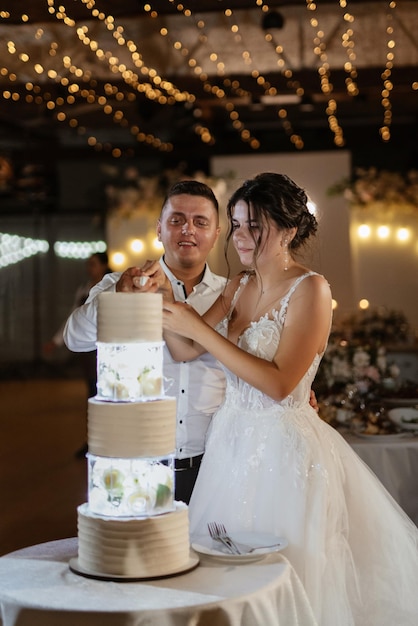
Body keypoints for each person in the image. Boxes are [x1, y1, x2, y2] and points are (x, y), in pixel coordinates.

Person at [155, 173, 418, 625]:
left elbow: (278, 385)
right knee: (222, 568)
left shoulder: (312, 289)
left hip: (284, 451)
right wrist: (159, 299)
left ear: (289, 230)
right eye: (236, 225)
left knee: (288, 574)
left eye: (254, 225)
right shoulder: (237, 286)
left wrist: (199, 327)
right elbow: (184, 350)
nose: (241, 236)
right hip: (228, 445)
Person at [64, 181, 227, 501]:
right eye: (176, 220)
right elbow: (74, 338)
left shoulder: (231, 295)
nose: (187, 230)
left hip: (216, 464)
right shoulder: (119, 283)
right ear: (159, 229)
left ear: (216, 233)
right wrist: (119, 298)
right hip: (137, 461)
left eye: (200, 222)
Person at [45, 252, 113, 457]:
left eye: (93, 264)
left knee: (108, 395)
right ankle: (93, 439)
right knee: (92, 394)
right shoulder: (83, 288)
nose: (89, 268)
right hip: (88, 352)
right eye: (88, 264)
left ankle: (108, 439)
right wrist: (57, 341)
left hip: (107, 350)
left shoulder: (114, 285)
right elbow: (73, 317)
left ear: (103, 266)